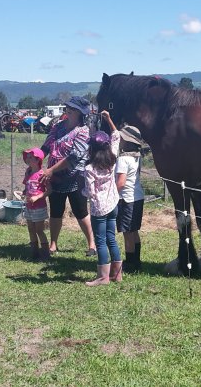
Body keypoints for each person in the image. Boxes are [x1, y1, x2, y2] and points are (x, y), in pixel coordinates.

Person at [41, 96, 97, 256]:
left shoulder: (84, 131)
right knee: (56, 211)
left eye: (72, 109)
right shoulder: (57, 127)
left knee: (80, 211)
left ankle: (91, 244)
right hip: (55, 177)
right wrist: (35, 161)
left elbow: (74, 157)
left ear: (80, 113)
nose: (69, 110)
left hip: (75, 177)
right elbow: (46, 146)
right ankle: (53, 244)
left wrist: (51, 170)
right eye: (68, 108)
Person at [83, 111, 123, 286]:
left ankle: (103, 277)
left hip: (99, 209)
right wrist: (108, 119)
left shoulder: (90, 168)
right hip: (114, 204)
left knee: (100, 241)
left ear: (92, 148)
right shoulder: (112, 159)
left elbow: (90, 192)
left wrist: (84, 194)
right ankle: (117, 274)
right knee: (111, 238)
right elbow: (116, 135)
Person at [115, 125, 145, 272]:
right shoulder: (137, 157)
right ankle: (137, 261)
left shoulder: (123, 159)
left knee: (127, 233)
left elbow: (121, 182)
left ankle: (130, 263)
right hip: (138, 196)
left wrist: (111, 194)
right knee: (134, 231)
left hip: (126, 199)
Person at [22, 147, 50, 261]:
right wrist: (24, 193)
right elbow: (27, 187)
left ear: (38, 159)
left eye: (31, 157)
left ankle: (45, 254)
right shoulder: (28, 172)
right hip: (29, 206)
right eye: (27, 157)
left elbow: (49, 190)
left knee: (39, 230)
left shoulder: (42, 174)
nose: (28, 159)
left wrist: (37, 197)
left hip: (39, 207)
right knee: (30, 229)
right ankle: (34, 253)